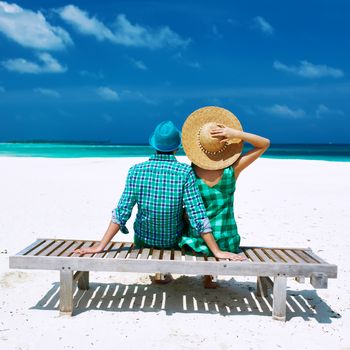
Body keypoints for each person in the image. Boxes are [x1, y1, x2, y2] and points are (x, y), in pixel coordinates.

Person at [75, 120, 243, 283]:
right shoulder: (184, 172)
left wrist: (100, 246)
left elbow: (122, 212)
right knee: (184, 215)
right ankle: (198, 273)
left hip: (143, 239)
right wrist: (217, 251)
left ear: (154, 145)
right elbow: (197, 215)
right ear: (177, 148)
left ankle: (160, 273)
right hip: (172, 241)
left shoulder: (136, 171)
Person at [179, 106, 270, 288]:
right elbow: (264, 143)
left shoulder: (190, 173)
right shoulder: (231, 171)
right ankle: (210, 275)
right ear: (223, 147)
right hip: (227, 240)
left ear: (198, 147)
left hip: (194, 242)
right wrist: (236, 133)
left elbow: (187, 212)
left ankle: (204, 272)